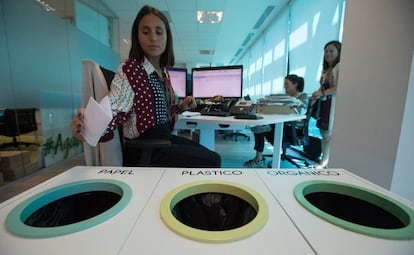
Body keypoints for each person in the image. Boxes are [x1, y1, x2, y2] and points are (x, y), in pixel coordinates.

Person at [71, 5, 220, 167]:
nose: (153, 38)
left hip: (162, 143)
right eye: (146, 32)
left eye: (158, 32)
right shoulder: (131, 70)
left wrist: (179, 108)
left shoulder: (162, 73)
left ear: (167, 37)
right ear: (137, 36)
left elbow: (156, 116)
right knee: (212, 160)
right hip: (146, 152)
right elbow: (114, 110)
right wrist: (89, 125)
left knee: (211, 156)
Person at [243, 74, 307, 167]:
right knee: (260, 126)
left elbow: (298, 113)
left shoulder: (302, 97)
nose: (285, 87)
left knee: (261, 127)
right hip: (285, 125)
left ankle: (259, 158)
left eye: (287, 84)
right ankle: (259, 157)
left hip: (294, 130)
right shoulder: (287, 98)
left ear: (295, 84)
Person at [310, 40, 341, 169]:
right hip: (324, 103)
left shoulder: (339, 67)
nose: (328, 53)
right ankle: (324, 159)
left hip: (331, 103)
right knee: (324, 133)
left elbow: (338, 87)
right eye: (326, 51)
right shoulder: (327, 69)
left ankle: (325, 161)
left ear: (339, 52)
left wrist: (321, 93)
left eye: (331, 51)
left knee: (328, 133)